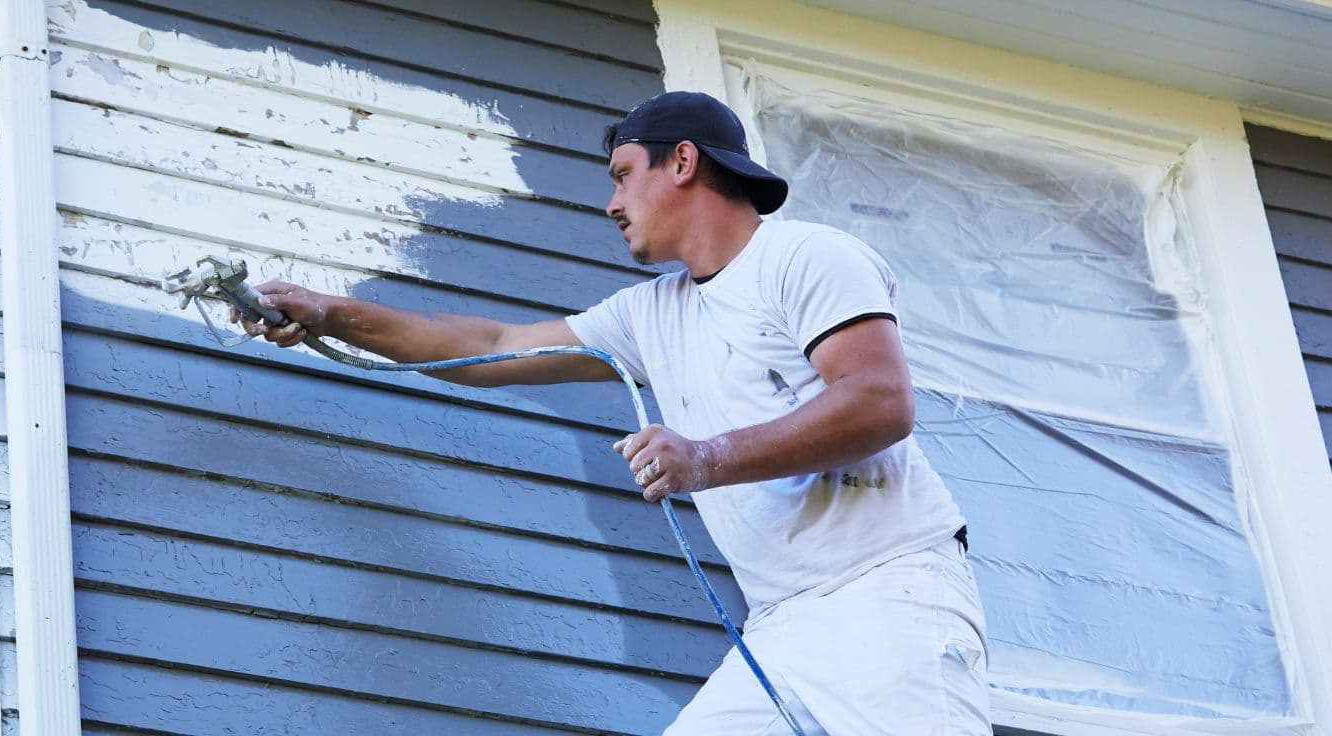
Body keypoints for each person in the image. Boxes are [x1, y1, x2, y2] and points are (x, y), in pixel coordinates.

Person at [237, 91, 989, 735]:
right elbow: (494, 345)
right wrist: (331, 314)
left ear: (684, 163)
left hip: (889, 596)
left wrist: (705, 458)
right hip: (781, 629)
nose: (611, 203)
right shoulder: (650, 312)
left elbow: (880, 402)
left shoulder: (804, 257)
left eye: (624, 176)